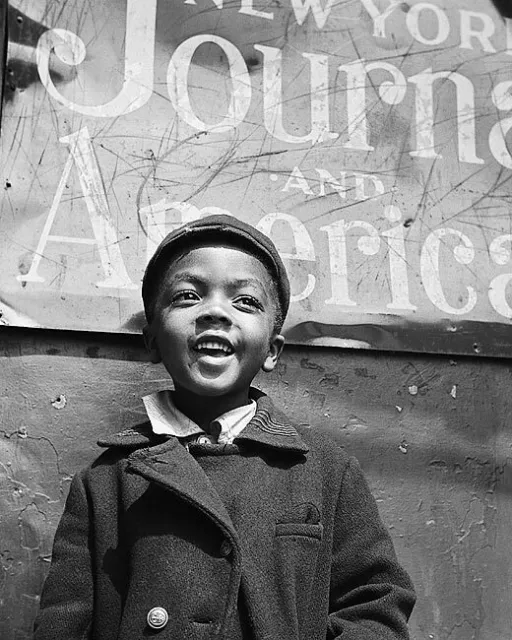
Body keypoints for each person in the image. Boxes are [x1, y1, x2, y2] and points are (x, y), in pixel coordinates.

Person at [34, 214, 416, 640]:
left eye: (246, 301)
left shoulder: (328, 471)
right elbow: (63, 624)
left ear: (272, 351)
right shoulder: (105, 481)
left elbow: (375, 603)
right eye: (187, 296)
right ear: (153, 339)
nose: (214, 310)